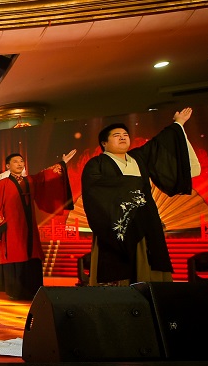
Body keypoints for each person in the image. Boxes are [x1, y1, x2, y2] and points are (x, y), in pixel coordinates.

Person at [81, 108, 201, 285]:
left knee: (150, 260)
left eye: (125, 135)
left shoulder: (138, 157)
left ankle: (151, 293)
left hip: (147, 220)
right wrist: (133, 185)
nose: (123, 137)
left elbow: (159, 144)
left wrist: (178, 124)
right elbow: (94, 190)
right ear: (104, 143)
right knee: (117, 267)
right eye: (116, 135)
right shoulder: (96, 164)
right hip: (116, 225)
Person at [0, 149, 76, 300]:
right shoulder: (2, 184)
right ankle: (15, 291)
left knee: (31, 252)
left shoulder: (30, 181)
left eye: (21, 161)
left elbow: (44, 176)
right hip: (12, 226)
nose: (19, 164)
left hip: (29, 226)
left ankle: (33, 291)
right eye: (15, 161)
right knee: (16, 252)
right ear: (7, 166)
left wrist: (62, 164)